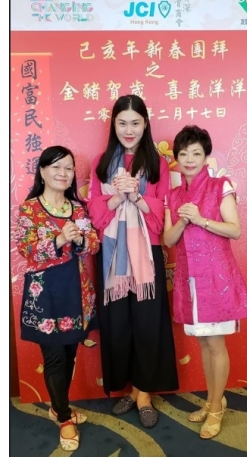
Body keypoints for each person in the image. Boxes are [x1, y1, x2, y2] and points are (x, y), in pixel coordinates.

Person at [87, 94, 179, 428]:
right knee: (119, 325)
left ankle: (144, 394)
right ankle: (130, 387)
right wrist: (117, 196)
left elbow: (161, 216)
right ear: (113, 124)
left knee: (147, 323)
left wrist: (136, 195)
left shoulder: (157, 163)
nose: (129, 130)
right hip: (113, 254)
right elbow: (95, 213)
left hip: (145, 254)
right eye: (122, 123)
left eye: (135, 123)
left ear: (145, 124)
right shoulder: (101, 161)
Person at [163, 125, 247, 440]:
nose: (189, 159)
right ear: (177, 158)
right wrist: (183, 220)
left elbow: (235, 229)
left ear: (205, 157)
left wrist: (201, 219)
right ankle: (214, 400)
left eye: (196, 153)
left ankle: (216, 407)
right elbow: (168, 239)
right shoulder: (173, 195)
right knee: (204, 342)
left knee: (216, 344)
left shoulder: (219, 186)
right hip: (190, 281)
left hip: (216, 278)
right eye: (184, 153)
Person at [14, 145, 100, 451]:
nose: (63, 173)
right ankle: (64, 417)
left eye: (68, 168)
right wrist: (59, 239)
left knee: (69, 355)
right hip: (46, 296)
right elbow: (26, 250)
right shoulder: (29, 209)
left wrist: (80, 239)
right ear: (42, 171)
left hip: (76, 293)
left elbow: (93, 244)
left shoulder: (78, 208)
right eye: (56, 167)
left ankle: (57, 406)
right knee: (54, 358)